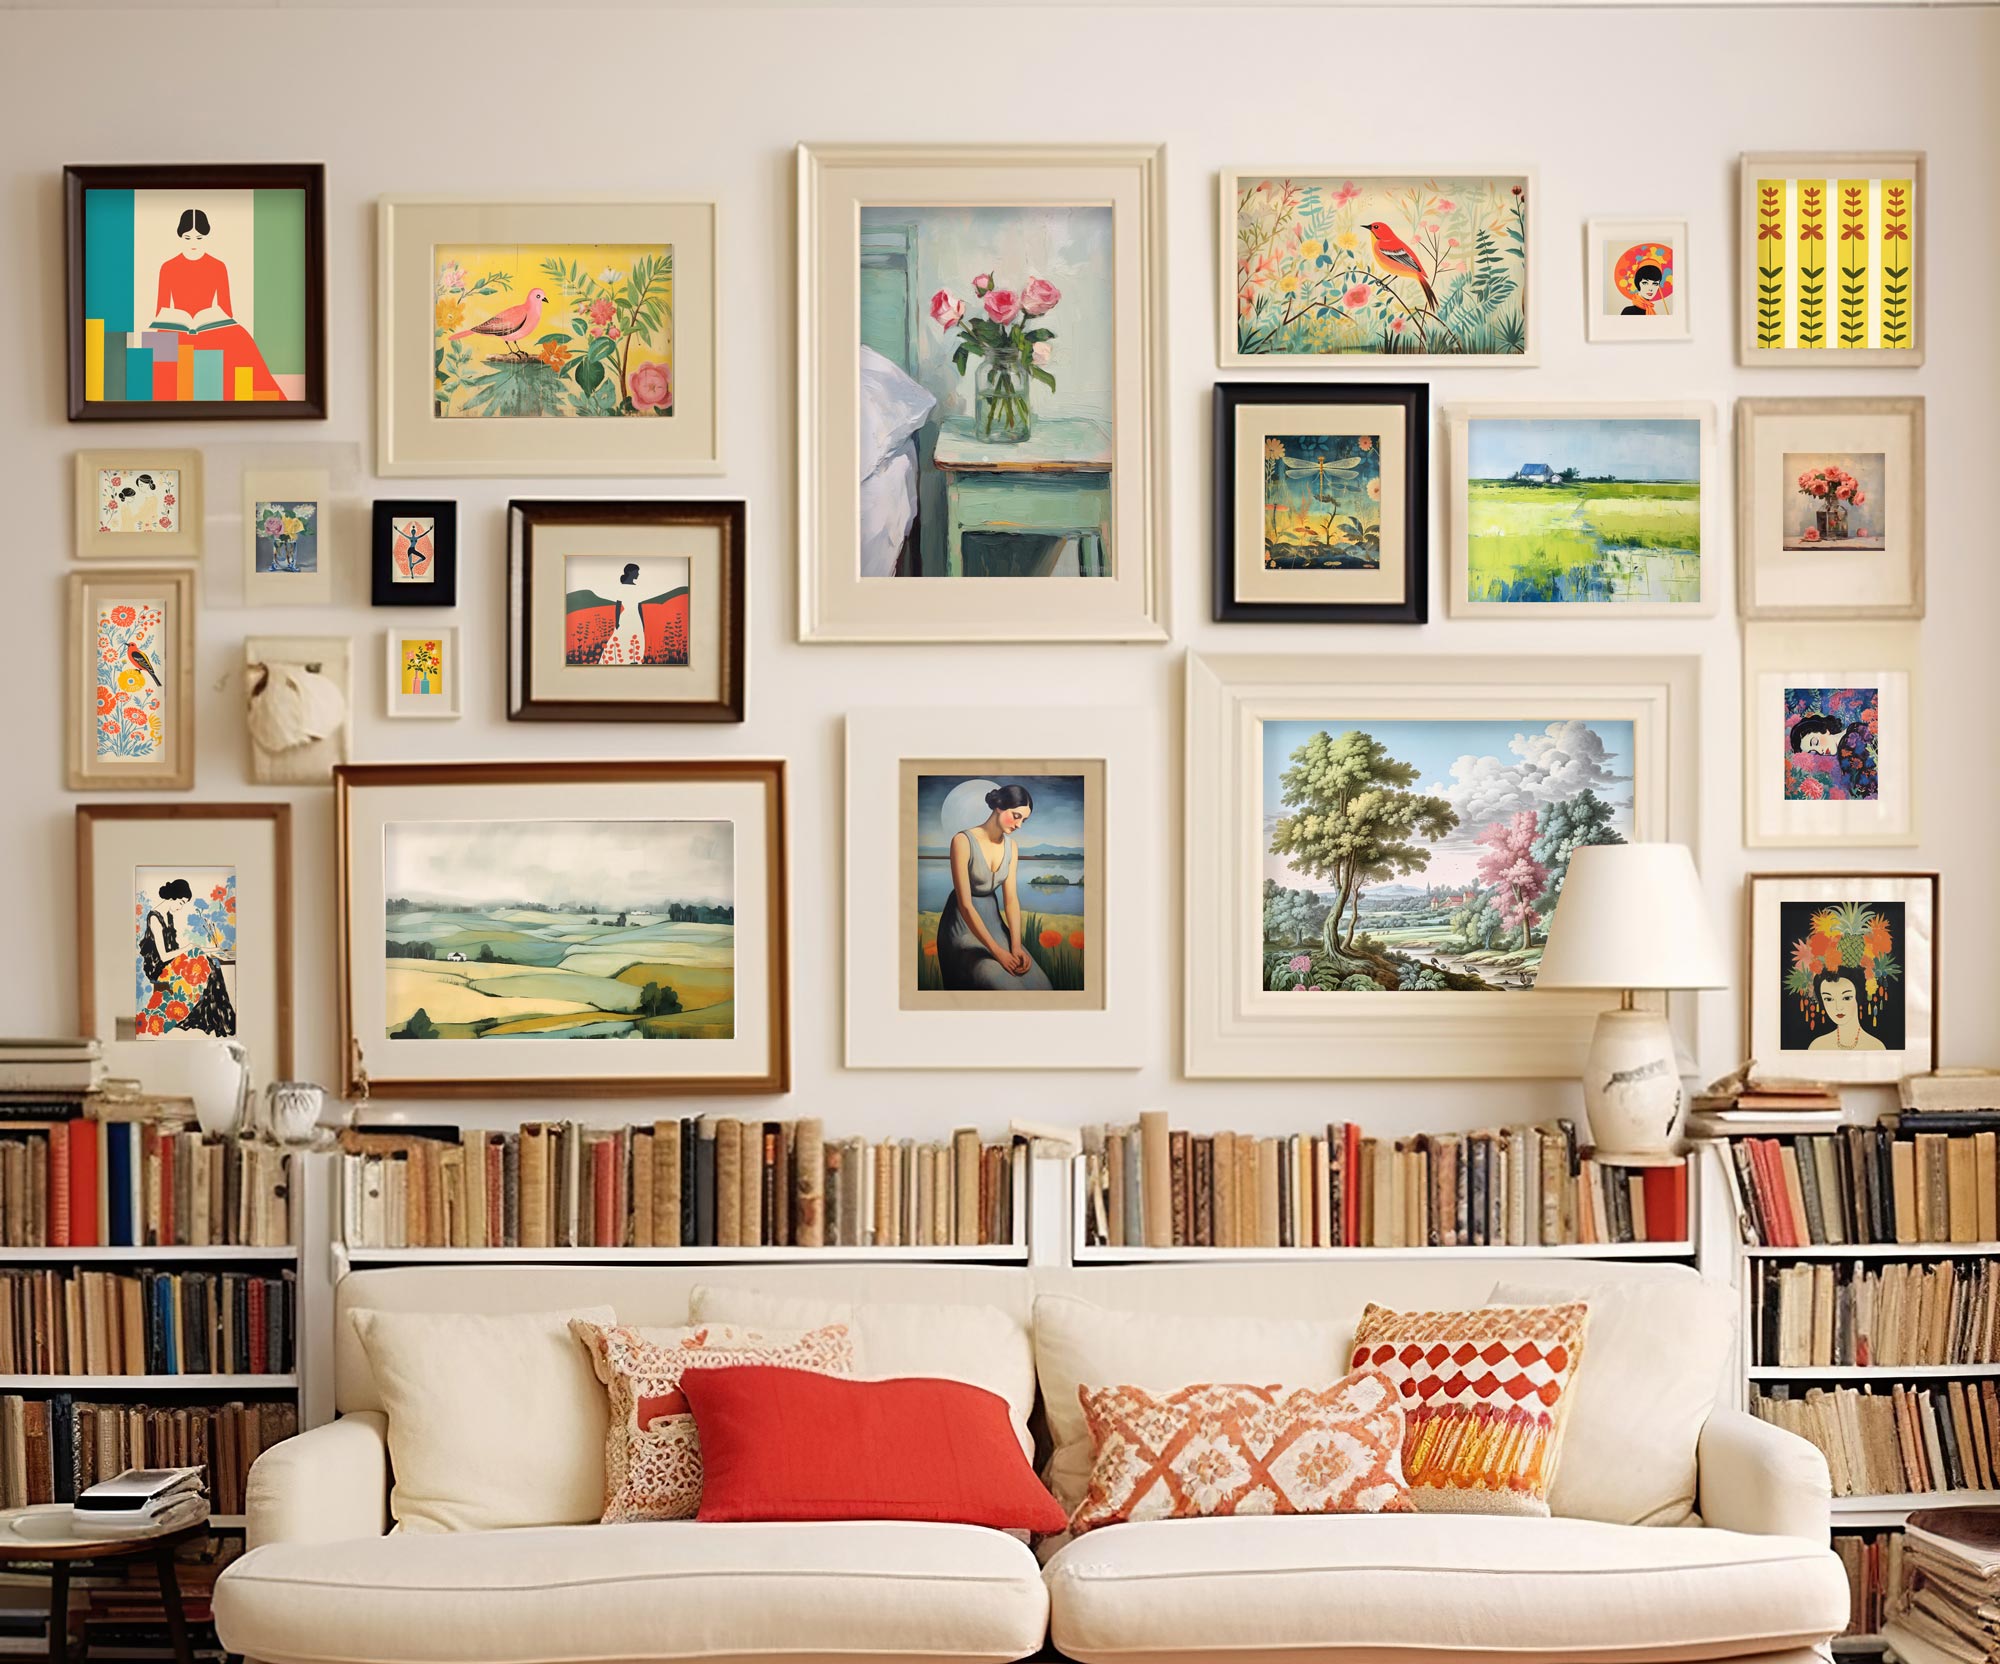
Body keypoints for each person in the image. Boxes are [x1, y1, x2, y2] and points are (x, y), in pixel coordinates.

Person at [148, 207, 285, 399]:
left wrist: (211, 319)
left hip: (211, 326)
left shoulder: (218, 266)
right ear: (180, 236)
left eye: (199, 238)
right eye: (188, 238)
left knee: (242, 341)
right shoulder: (168, 267)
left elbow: (226, 309)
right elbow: (161, 310)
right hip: (177, 328)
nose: (193, 243)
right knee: (159, 343)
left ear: (207, 236)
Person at [934, 784, 1053, 991]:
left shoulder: (1012, 847)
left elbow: (1011, 900)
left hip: (994, 924)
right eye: (1016, 816)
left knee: (1041, 984)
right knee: (1001, 983)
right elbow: (965, 905)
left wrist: (1015, 946)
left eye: (1024, 820)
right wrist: (998, 952)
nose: (1019, 825)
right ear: (999, 806)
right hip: (963, 926)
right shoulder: (962, 841)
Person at [1790, 711, 1879, 800]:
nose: (1820, 751)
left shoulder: (1852, 739)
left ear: (1824, 729)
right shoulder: (1849, 736)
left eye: (1815, 742)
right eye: (1813, 751)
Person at [1806, 966, 1885, 1052]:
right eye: (1828, 999)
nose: (1838, 1007)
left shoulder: (1876, 1047)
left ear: (1858, 997)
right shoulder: (1817, 1046)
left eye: (1846, 998)